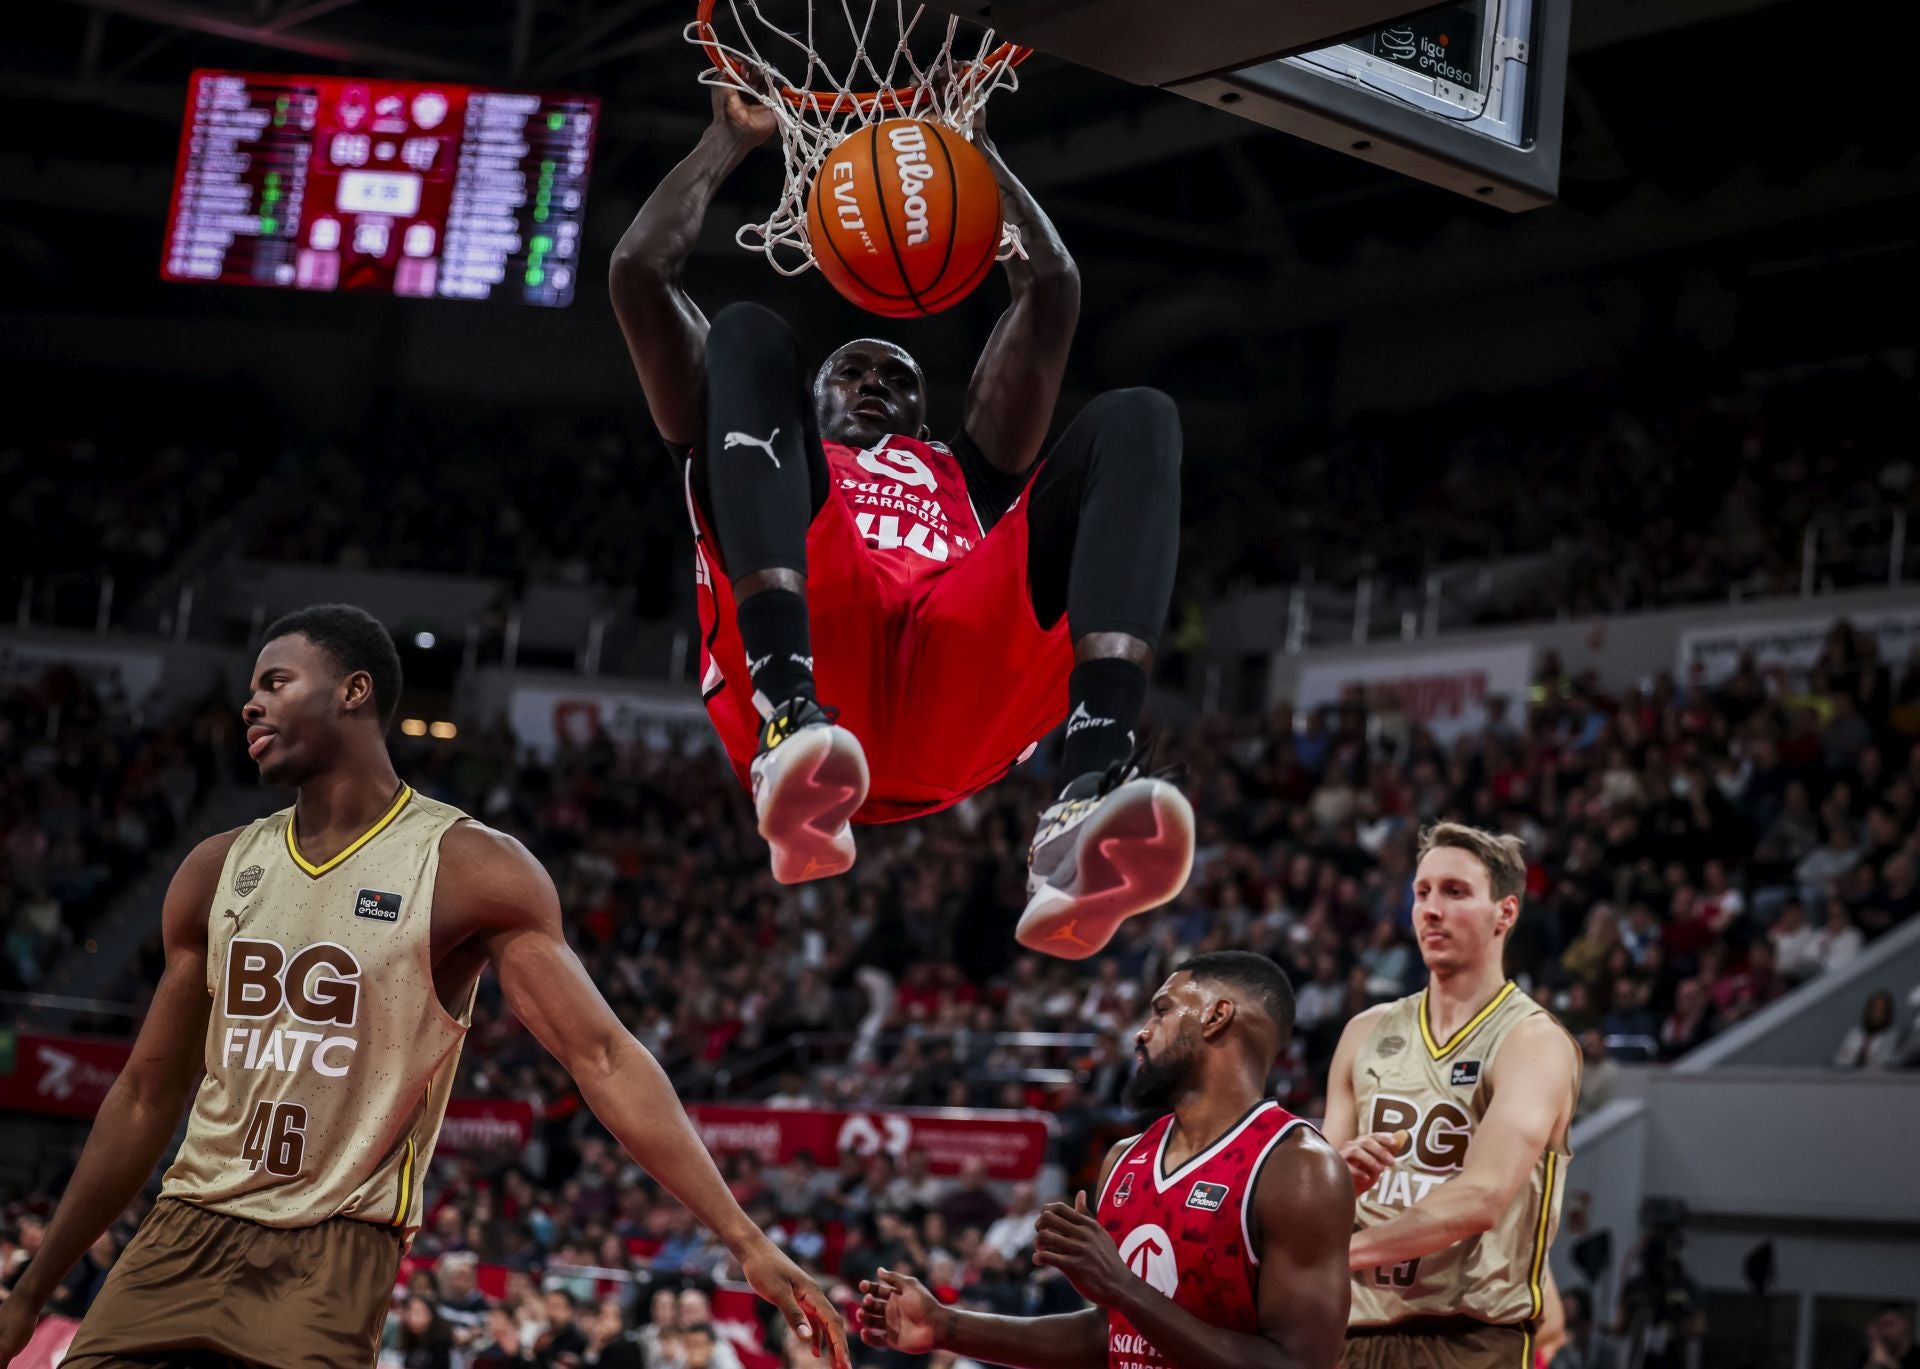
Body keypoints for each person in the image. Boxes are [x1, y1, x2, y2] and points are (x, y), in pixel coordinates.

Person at [0, 605, 846, 1369]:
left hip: (330, 1249)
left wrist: (743, 1238)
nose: (249, 705)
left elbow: (604, 1056)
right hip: (179, 1230)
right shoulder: (211, 869)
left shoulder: (470, 866)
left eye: (274, 681)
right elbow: (147, 1094)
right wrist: (33, 1292)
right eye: (249, 690)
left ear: (352, 691)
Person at [610, 82, 1192, 958]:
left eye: (898, 375)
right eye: (853, 370)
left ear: (924, 414)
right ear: (804, 404)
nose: (876, 379)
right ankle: (788, 718)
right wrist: (724, 143)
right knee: (747, 331)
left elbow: (1053, 287)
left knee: (1139, 415)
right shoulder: (763, 442)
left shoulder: (965, 470)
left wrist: (980, 154)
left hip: (952, 677)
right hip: (820, 640)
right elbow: (638, 274)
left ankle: (1085, 795)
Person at [859, 951, 1352, 1368]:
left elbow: (1298, 1364)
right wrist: (947, 1325)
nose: (1141, 1032)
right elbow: (1107, 1336)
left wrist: (1122, 1288)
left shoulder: (1297, 1168)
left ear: (1216, 1015)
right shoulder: (1125, 1158)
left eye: (1162, 1010)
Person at [1323, 822, 1580, 1369]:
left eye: (1455, 892)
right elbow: (1318, 1196)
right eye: (1422, 892)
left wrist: (1332, 1256)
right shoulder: (1365, 1032)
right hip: (1350, 1331)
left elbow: (1481, 1197)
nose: (1430, 909)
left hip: (1468, 1340)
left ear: (1504, 913)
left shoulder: (1533, 1041)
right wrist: (1333, 1177)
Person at [1833, 989, 1902, 1069]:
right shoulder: (1855, 1034)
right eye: (1875, 1009)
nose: (1876, 1014)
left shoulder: (1891, 1037)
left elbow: (1886, 1063)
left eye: (1881, 1011)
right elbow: (1839, 1059)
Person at [1862, 1305, 1920, 1369]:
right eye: (1880, 1325)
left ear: (1905, 1326)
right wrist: (1873, 1364)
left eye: (1890, 1324)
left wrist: (1888, 1362)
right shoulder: (1868, 1355)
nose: (1885, 1330)